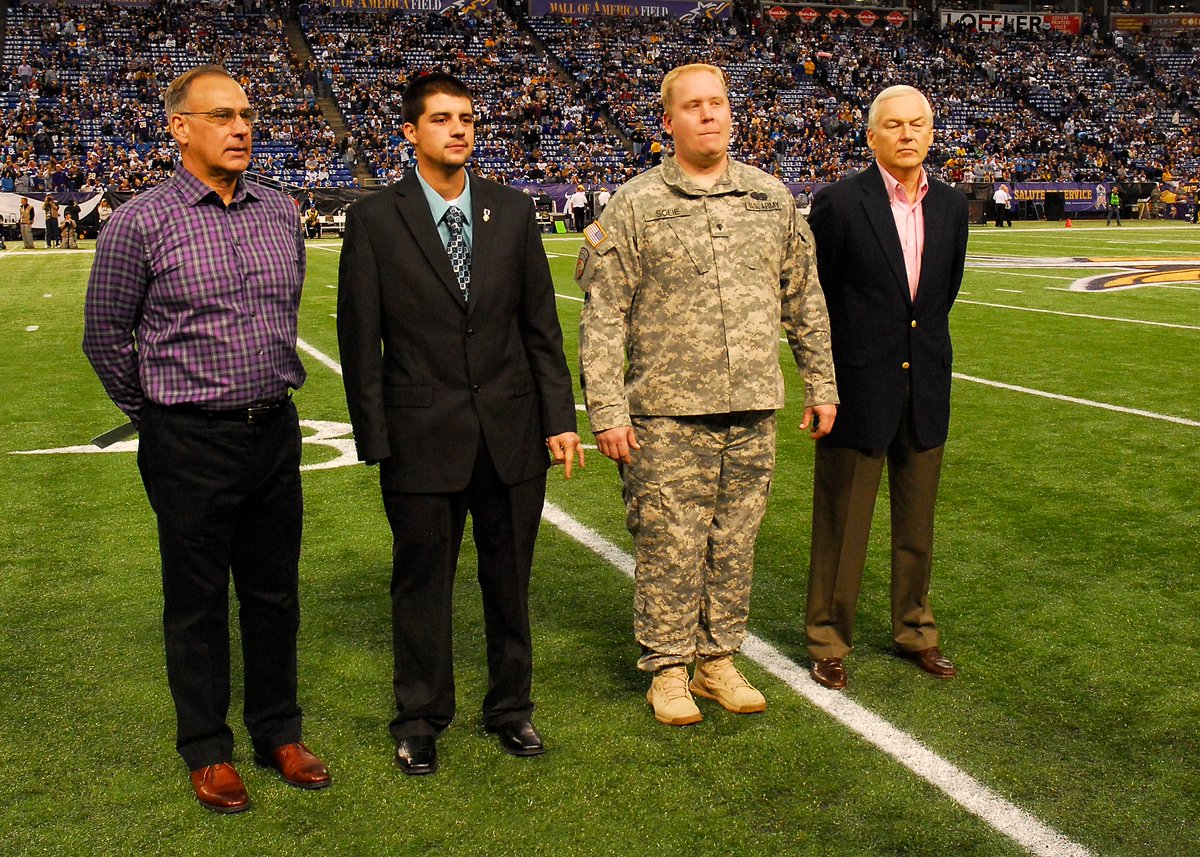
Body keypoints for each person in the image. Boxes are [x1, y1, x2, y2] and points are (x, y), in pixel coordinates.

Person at [82, 65, 330, 815]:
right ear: (179, 128)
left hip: (273, 429)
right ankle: (207, 749)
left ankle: (278, 731)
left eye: (246, 113)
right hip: (188, 438)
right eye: (221, 115)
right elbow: (105, 336)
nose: (241, 127)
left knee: (273, 593)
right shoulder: (139, 221)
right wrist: (161, 417)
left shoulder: (280, 210)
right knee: (196, 603)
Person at [337, 72, 583, 776]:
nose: (458, 129)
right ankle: (419, 718)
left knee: (510, 581)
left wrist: (559, 418)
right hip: (421, 437)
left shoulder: (513, 209)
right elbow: (359, 339)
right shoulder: (375, 219)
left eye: (467, 118)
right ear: (410, 132)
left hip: (512, 431)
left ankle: (511, 707)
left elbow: (541, 328)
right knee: (421, 586)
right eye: (442, 119)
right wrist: (376, 438)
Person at [577, 64, 838, 727]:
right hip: (665, 412)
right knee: (669, 543)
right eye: (693, 106)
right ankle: (668, 669)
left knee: (734, 542)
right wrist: (606, 410)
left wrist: (821, 384)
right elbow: (603, 317)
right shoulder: (635, 204)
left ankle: (716, 659)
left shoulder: (769, 197)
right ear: (668, 122)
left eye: (717, 103)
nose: (709, 115)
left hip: (752, 406)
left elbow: (804, 298)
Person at [804, 85, 969, 691]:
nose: (907, 134)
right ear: (871, 136)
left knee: (917, 528)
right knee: (842, 526)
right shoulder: (839, 203)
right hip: (856, 387)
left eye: (917, 124)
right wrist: (823, 381)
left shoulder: (951, 205)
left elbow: (941, 295)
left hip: (925, 384)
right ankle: (828, 638)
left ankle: (916, 631)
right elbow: (816, 297)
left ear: (931, 133)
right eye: (894, 124)